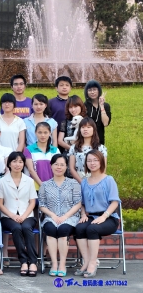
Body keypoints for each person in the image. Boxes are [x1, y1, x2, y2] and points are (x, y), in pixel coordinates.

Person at [75, 150, 120, 278]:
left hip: (109, 217)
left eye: (95, 160)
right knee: (79, 228)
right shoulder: (84, 182)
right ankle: (86, 261)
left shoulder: (109, 179)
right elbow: (82, 203)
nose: (92, 163)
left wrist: (104, 216)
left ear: (101, 162)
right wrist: (83, 214)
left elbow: (115, 202)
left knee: (92, 229)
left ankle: (93, 263)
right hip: (91, 216)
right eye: (89, 160)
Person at [38, 154, 82, 277]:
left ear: (66, 167)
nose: (59, 167)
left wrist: (65, 217)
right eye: (56, 164)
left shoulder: (73, 183)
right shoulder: (45, 185)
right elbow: (42, 205)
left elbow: (78, 203)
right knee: (50, 229)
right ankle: (54, 264)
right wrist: (52, 215)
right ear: (51, 166)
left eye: (62, 165)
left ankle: (62, 264)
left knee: (63, 230)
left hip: (70, 218)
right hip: (51, 217)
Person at [0, 151, 39, 276]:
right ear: (9, 164)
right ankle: (23, 261)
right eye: (14, 161)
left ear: (24, 164)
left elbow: (32, 202)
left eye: (20, 161)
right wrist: (13, 216)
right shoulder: (2, 181)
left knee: (26, 227)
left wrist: (23, 216)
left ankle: (33, 262)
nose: (17, 164)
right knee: (16, 228)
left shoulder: (29, 181)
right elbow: (0, 204)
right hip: (8, 216)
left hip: (27, 215)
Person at [67, 118, 108, 184]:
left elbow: (103, 168)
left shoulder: (101, 148)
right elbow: (72, 168)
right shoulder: (74, 148)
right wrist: (82, 182)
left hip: (96, 181)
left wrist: (96, 182)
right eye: (83, 127)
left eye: (88, 127)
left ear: (94, 129)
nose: (85, 129)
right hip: (78, 181)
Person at [24, 122, 59, 186]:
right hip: (34, 187)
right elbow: (31, 170)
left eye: (45, 132)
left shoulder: (55, 150)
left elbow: (58, 169)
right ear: (35, 133)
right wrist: (42, 185)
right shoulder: (28, 149)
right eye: (40, 132)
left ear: (50, 133)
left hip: (52, 186)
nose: (42, 135)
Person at [83, 80, 111, 145]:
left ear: (99, 90)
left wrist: (102, 106)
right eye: (90, 90)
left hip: (100, 138)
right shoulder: (84, 106)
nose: (92, 92)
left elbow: (105, 123)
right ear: (87, 92)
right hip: (86, 139)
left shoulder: (106, 106)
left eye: (94, 89)